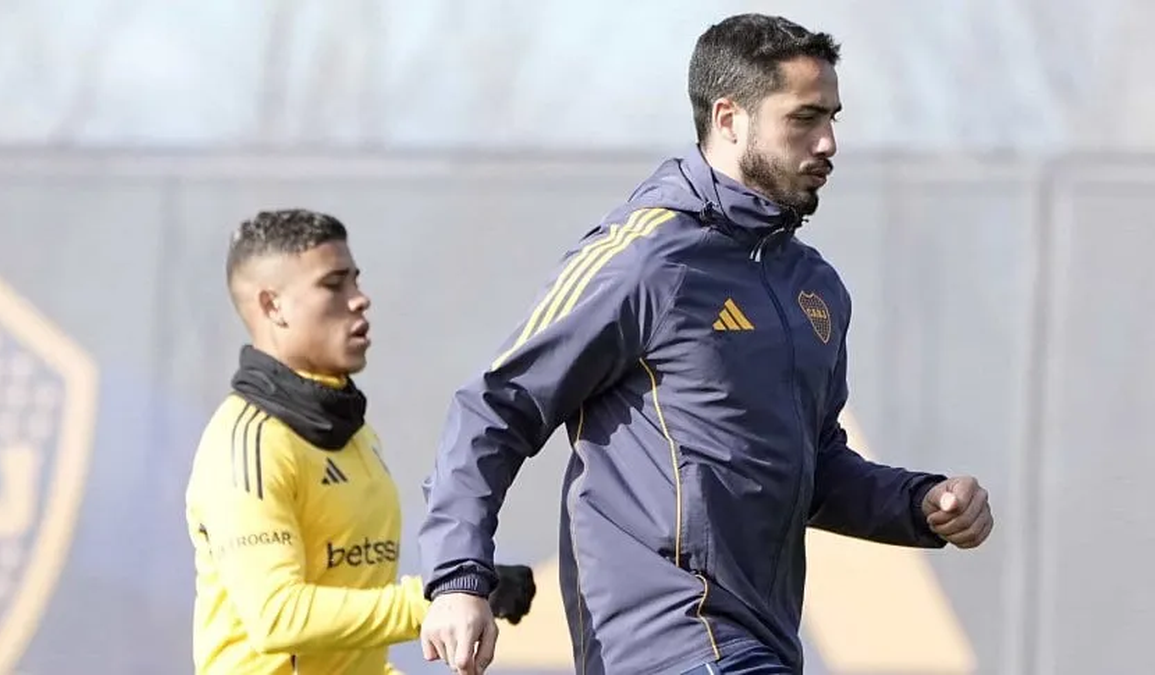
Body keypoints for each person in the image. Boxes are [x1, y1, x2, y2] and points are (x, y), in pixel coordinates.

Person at [415, 13, 994, 675]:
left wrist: (918, 504)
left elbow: (812, 469)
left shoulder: (814, 286)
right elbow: (496, 406)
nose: (829, 141)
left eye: (833, 117)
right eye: (804, 118)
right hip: (666, 641)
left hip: (761, 643)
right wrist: (457, 578)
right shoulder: (644, 260)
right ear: (729, 119)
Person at [184, 209, 536, 675]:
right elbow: (277, 617)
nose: (360, 299)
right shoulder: (248, 442)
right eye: (334, 285)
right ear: (273, 306)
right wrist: (442, 594)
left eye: (355, 280)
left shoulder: (352, 429)